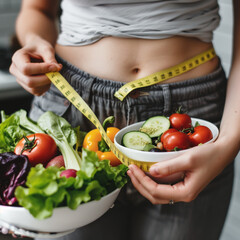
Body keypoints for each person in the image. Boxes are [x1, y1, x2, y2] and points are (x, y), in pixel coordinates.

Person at [8, 0, 240, 240]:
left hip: (187, 125)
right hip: (73, 112)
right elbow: (37, 10)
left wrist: (228, 144)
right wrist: (34, 41)